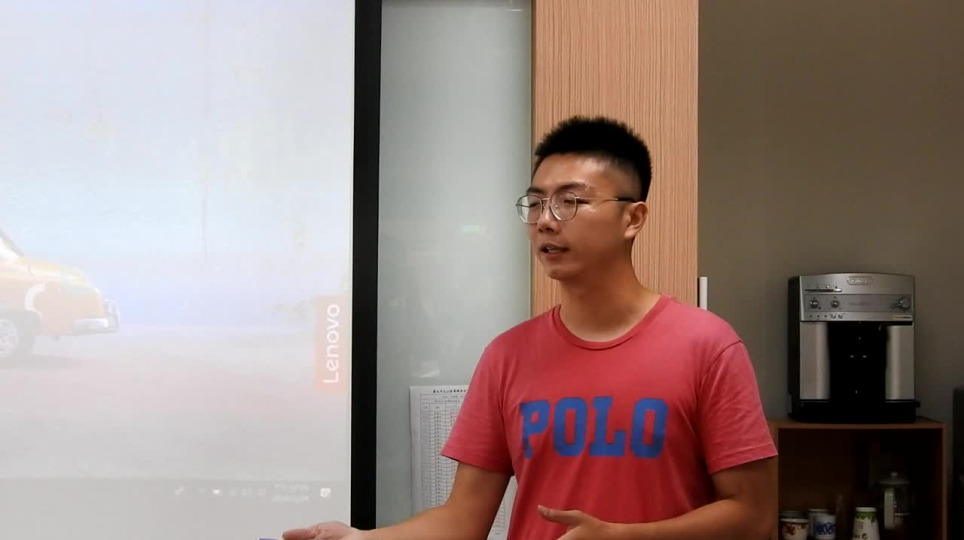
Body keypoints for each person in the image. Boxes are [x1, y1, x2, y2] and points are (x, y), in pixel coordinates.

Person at [284, 116, 778, 540]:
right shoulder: (508, 356)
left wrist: (627, 538)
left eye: (570, 202)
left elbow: (753, 516)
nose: (545, 221)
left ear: (633, 217)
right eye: (536, 203)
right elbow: (463, 520)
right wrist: (363, 538)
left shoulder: (707, 345)